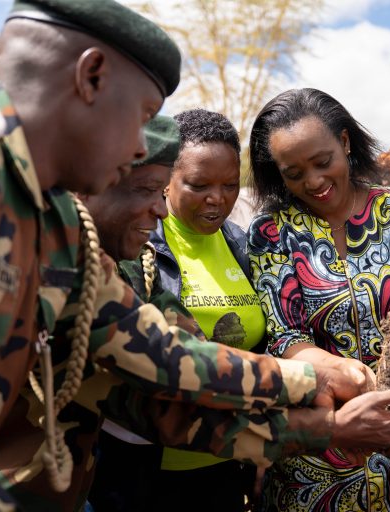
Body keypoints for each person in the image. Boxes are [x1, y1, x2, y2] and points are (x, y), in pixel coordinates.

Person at [0, 2, 390, 510]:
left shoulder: (59, 225)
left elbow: (160, 357)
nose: (141, 145)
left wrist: (317, 396)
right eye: (140, 118)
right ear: (91, 77)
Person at [247, 88, 390, 511]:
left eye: (323, 163)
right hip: (321, 449)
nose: (314, 182)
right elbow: (285, 336)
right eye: (294, 173)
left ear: (344, 143)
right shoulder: (271, 233)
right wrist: (345, 373)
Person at [90, 109, 262, 511]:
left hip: (225, 462)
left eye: (230, 185)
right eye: (199, 184)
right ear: (167, 179)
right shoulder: (136, 246)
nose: (217, 198)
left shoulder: (242, 245)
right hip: (141, 470)